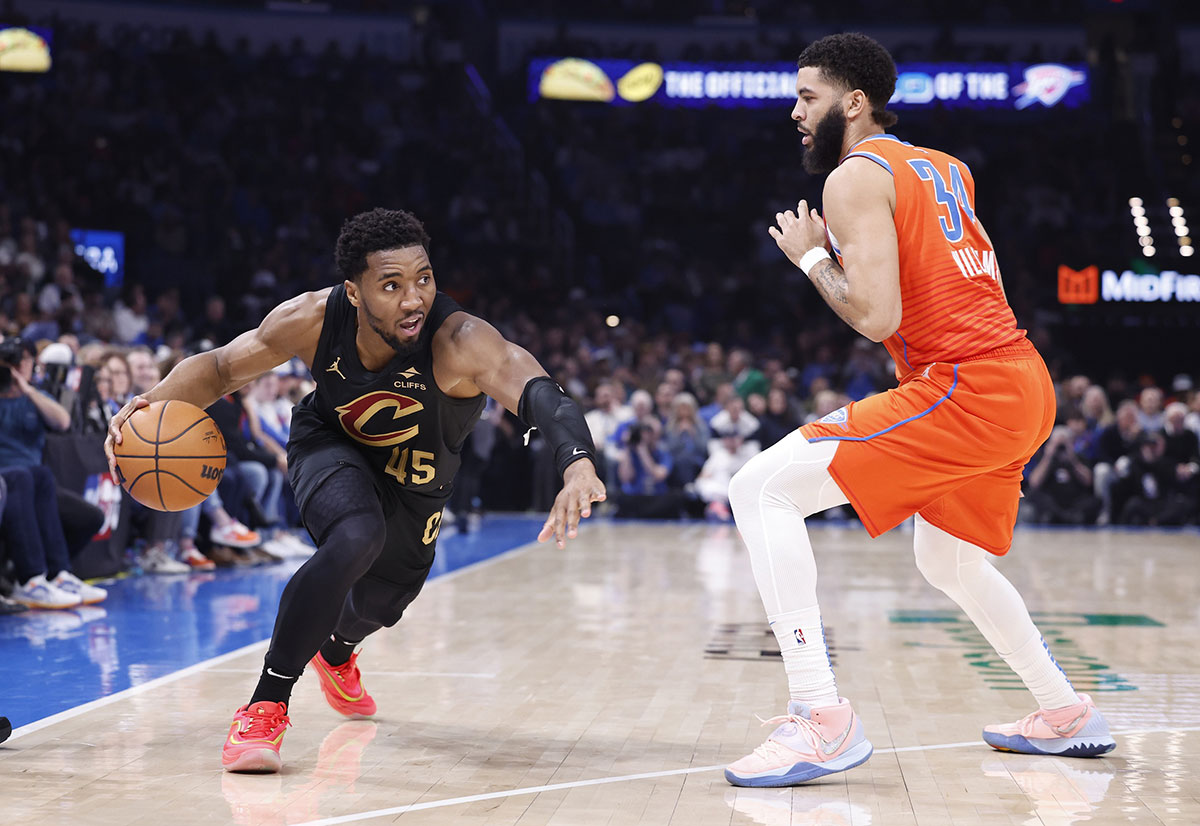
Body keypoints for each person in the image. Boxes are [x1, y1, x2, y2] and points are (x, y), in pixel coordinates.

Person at [722, 33, 1114, 788]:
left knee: (758, 489)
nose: (794, 111)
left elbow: (873, 314)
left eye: (808, 96)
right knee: (949, 559)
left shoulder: (851, 178)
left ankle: (821, 718)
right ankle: (1064, 713)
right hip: (1022, 380)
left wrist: (810, 257)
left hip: (968, 385)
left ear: (854, 102)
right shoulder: (943, 165)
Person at [105, 208, 606, 773]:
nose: (413, 298)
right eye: (391, 285)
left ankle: (336, 651)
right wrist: (150, 403)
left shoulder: (459, 339)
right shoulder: (314, 318)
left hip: (418, 485)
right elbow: (222, 369)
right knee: (355, 536)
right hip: (330, 446)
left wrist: (578, 460)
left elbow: (538, 392)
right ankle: (265, 705)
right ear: (354, 290)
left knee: (382, 604)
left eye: (423, 279)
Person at [0, 337, 107, 609]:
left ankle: (57, 574)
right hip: (7, 477)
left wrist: (27, 389)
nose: (14, 366)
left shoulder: (34, 395)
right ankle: (31, 580)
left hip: (32, 480)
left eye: (20, 360)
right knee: (24, 477)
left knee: (43, 477)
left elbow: (62, 421)